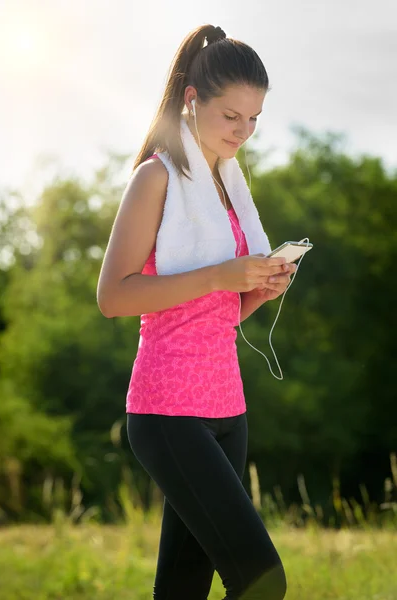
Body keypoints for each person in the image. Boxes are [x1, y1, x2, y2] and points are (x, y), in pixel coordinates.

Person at [97, 23, 296, 600]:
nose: (245, 132)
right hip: (168, 412)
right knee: (263, 580)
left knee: (181, 590)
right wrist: (221, 275)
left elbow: (217, 313)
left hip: (227, 411)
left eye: (254, 118)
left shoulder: (227, 186)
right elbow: (114, 297)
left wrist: (258, 289)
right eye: (232, 116)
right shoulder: (154, 178)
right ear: (193, 100)